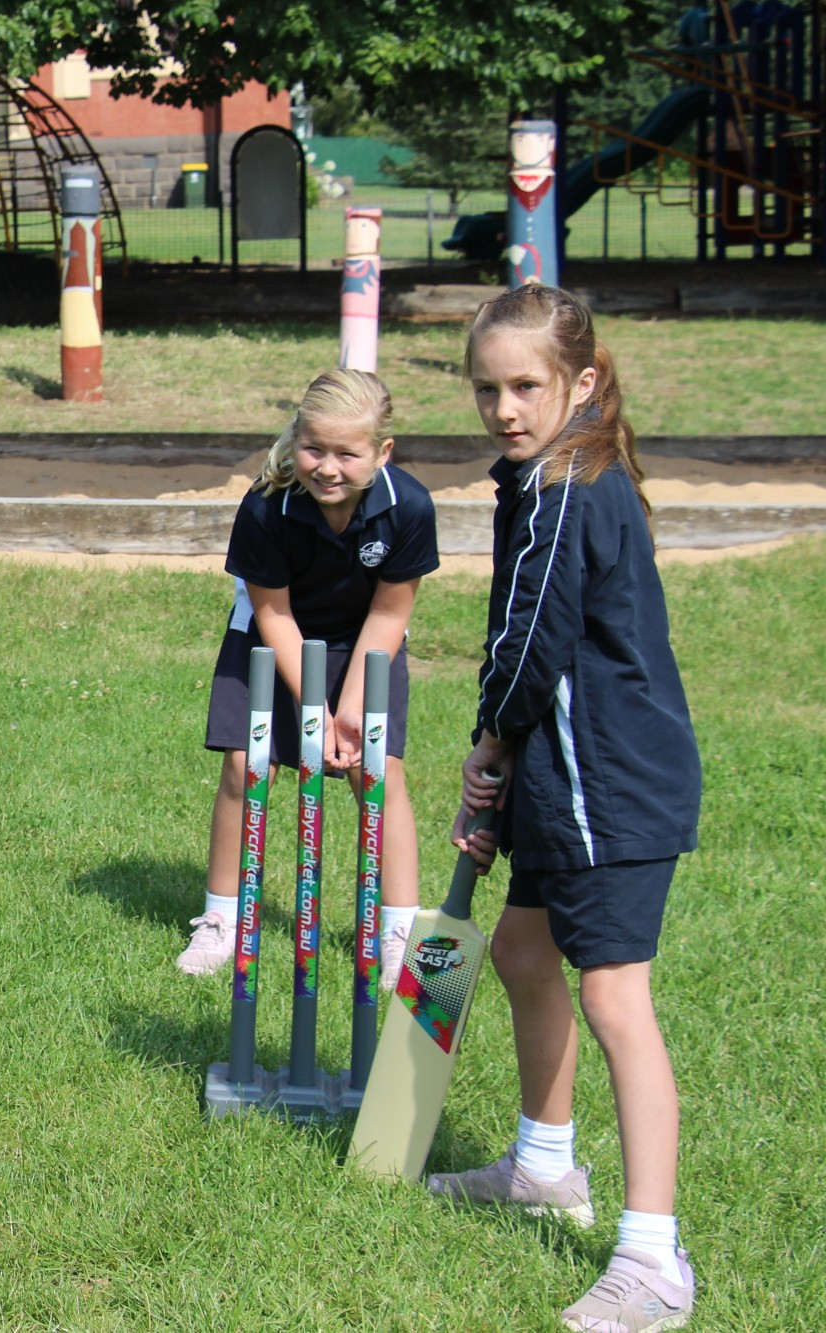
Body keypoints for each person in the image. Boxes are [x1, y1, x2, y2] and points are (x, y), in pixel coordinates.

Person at [432, 285, 699, 1333]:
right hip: (566, 777)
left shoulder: (562, 487)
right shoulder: (552, 475)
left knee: (614, 1000)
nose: (502, 405)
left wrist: (487, 741)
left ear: (580, 383)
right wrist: (508, 774)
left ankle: (650, 1258)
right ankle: (543, 1166)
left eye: (524, 385)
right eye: (487, 388)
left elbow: (527, 643)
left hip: (606, 787)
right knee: (519, 955)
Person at [179, 369, 438, 986]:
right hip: (272, 635)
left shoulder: (409, 508)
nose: (328, 467)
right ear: (296, 438)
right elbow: (274, 613)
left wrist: (349, 710)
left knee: (377, 771)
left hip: (366, 640)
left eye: (348, 453)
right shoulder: (268, 505)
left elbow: (389, 611)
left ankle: (399, 929)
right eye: (314, 448)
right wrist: (315, 712)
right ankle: (223, 920)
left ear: (382, 453)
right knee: (248, 766)